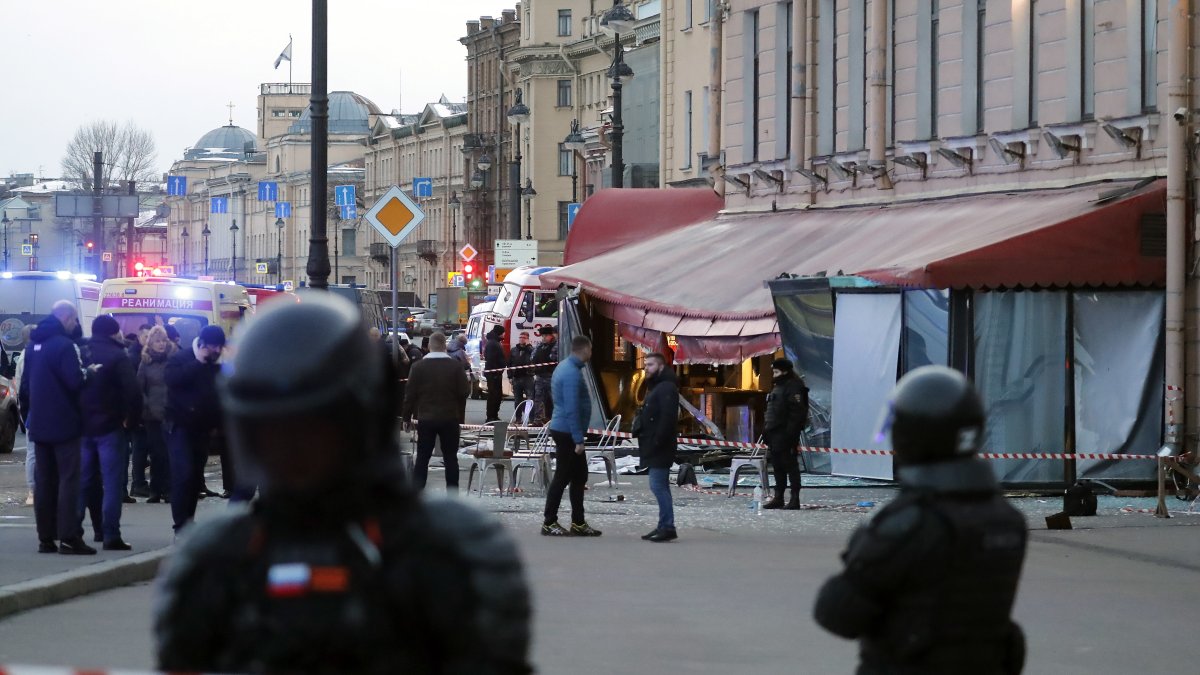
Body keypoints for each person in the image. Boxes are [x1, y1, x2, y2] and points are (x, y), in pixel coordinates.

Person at [153, 293, 533, 674]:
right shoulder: (214, 558)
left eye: (312, 430)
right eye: (270, 434)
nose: (290, 453)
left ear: (361, 422)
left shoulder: (453, 547)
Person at [814, 366, 1028, 675]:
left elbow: (837, 614)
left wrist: (865, 548)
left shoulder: (912, 523)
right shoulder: (1006, 519)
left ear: (913, 436)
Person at [21, 300, 96, 554]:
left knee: (44, 482)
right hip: (64, 423)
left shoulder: (33, 346)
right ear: (67, 318)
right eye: (74, 321)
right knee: (68, 481)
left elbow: (25, 387)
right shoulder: (65, 346)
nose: (75, 325)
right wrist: (91, 372)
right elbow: (76, 380)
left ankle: (46, 538)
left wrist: (27, 416)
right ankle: (68, 536)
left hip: (39, 423)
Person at [78, 315, 142, 550]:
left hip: (83, 428)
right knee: (113, 482)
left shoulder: (82, 352)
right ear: (114, 332)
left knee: (84, 481)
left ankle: (74, 531)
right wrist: (131, 422)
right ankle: (110, 534)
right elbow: (134, 392)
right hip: (110, 427)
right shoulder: (118, 355)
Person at [165, 324, 225, 533]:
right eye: (213, 347)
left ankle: (188, 522)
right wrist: (197, 363)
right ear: (201, 344)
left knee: (194, 478)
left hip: (202, 429)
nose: (216, 351)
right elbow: (172, 380)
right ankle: (181, 525)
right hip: (180, 426)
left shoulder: (216, 364)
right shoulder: (181, 359)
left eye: (219, 347)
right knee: (183, 475)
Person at [541, 335, 600, 537]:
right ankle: (549, 522)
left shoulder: (566, 367)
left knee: (579, 476)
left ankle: (578, 522)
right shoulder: (572, 374)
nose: (591, 354)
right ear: (584, 350)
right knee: (562, 477)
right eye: (591, 350)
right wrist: (578, 439)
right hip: (568, 432)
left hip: (566, 429)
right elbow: (572, 408)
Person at [403, 331, 469, 491]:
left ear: (429, 347)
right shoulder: (456, 366)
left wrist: (406, 417)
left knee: (423, 458)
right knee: (450, 459)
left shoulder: (418, 367)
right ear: (444, 346)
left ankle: (417, 494)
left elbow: (410, 394)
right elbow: (464, 392)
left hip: (426, 418)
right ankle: (452, 495)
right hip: (450, 418)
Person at [637, 353, 679, 542]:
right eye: (645, 364)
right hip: (656, 443)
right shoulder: (657, 387)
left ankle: (667, 526)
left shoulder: (666, 388)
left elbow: (668, 418)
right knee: (660, 486)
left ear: (661, 367)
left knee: (658, 486)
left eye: (651, 365)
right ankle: (664, 525)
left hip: (660, 445)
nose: (646, 368)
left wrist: (657, 441)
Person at [762, 358, 808, 510]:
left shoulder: (793, 387)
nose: (774, 375)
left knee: (790, 466)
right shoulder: (779, 387)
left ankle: (794, 499)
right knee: (777, 467)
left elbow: (797, 412)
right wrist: (767, 430)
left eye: (776, 372)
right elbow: (773, 409)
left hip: (785, 434)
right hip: (775, 433)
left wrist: (791, 434)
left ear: (785, 371)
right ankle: (778, 497)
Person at [137, 326, 176, 504]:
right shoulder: (145, 362)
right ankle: (155, 490)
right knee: (155, 453)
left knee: (168, 453)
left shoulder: (173, 360)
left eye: (163, 340)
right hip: (151, 415)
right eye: (157, 341)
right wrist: (146, 406)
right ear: (151, 343)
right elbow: (140, 387)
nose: (161, 344)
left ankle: (168, 489)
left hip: (169, 413)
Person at [530, 325, 558, 425]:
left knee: (554, 400)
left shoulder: (557, 345)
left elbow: (553, 357)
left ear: (552, 335)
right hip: (540, 376)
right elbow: (533, 357)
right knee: (538, 399)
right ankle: (538, 420)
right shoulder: (540, 345)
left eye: (546, 335)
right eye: (543, 336)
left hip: (552, 376)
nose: (543, 338)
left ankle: (556, 420)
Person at [483, 325, 507, 422]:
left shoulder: (493, 342)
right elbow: (491, 359)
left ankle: (493, 415)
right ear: (499, 333)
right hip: (494, 374)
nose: (504, 334)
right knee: (494, 395)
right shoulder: (493, 344)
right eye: (503, 332)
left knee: (496, 395)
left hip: (494, 373)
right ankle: (491, 416)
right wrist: (497, 372)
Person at [509, 331, 535, 415]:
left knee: (530, 398)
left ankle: (529, 417)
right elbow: (509, 364)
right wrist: (510, 376)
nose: (521, 339)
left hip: (528, 377)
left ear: (527, 339)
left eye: (524, 338)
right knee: (517, 399)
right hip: (517, 377)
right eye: (520, 337)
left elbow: (534, 357)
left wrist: (528, 346)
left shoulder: (531, 349)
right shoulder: (514, 350)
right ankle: (518, 418)